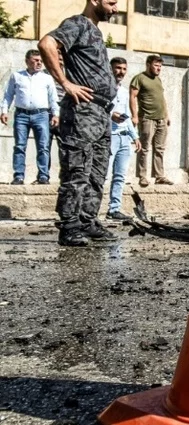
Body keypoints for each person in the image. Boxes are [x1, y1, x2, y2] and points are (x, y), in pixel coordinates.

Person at [37, 0, 119, 246]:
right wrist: (65, 83)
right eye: (111, 2)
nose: (115, 9)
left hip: (102, 112)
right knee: (77, 170)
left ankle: (87, 220)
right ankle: (70, 225)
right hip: (83, 111)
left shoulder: (94, 30)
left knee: (96, 172)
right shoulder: (78, 23)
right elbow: (46, 44)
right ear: (94, 0)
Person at [2, 50, 60, 185]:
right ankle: (19, 176)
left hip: (41, 115)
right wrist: (4, 111)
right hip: (21, 114)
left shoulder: (47, 78)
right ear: (27, 61)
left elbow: (53, 98)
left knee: (43, 146)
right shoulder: (16, 76)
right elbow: (8, 95)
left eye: (40, 60)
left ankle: (43, 176)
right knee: (20, 146)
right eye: (35, 60)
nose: (39, 63)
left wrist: (56, 114)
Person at [130, 54, 172, 187]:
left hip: (161, 119)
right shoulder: (139, 78)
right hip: (147, 118)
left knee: (159, 148)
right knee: (144, 148)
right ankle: (142, 176)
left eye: (160, 66)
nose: (159, 68)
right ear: (148, 65)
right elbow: (132, 96)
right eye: (156, 65)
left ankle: (159, 176)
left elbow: (162, 98)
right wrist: (135, 116)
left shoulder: (158, 80)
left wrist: (167, 115)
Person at [105, 57, 138, 221]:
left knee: (120, 176)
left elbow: (128, 116)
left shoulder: (124, 92)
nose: (121, 72)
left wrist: (135, 136)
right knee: (103, 175)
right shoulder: (104, 89)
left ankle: (114, 209)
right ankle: (91, 210)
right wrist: (112, 115)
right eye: (118, 68)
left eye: (124, 69)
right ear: (111, 68)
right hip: (110, 136)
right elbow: (99, 109)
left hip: (124, 137)